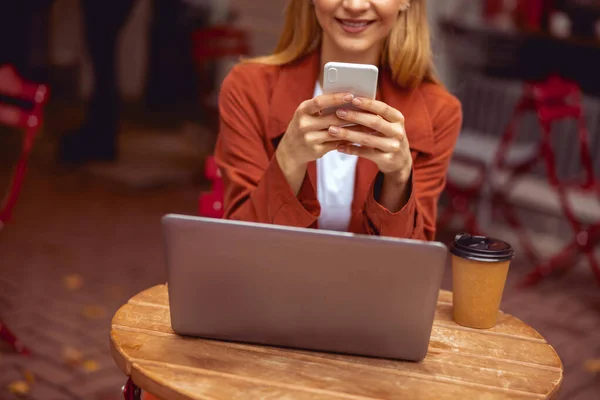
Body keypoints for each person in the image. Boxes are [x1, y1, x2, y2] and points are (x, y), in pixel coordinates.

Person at [214, 0, 462, 240]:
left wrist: (398, 181)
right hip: (270, 281)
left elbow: (412, 267)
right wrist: (288, 161)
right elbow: (239, 245)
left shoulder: (439, 112)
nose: (355, 5)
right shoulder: (248, 89)